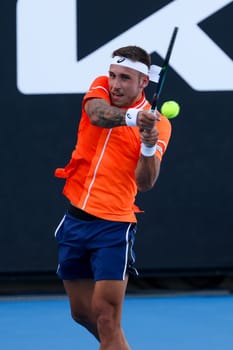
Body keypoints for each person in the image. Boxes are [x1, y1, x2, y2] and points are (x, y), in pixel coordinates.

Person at [54, 45, 172, 350]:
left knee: (107, 318)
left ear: (143, 82)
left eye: (125, 78)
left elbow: (145, 182)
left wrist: (148, 146)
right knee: (82, 313)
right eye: (113, 75)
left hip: (114, 227)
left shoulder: (161, 125)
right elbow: (97, 116)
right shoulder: (101, 89)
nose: (115, 84)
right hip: (75, 218)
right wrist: (134, 118)